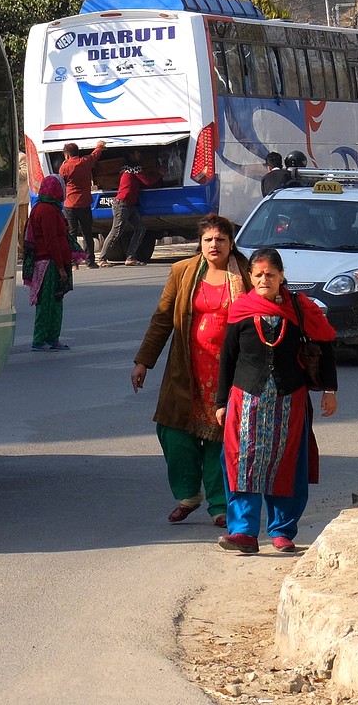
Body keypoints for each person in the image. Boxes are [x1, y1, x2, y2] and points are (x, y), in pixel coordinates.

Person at [215, 247, 339, 554]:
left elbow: (325, 344)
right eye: (257, 274)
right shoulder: (241, 310)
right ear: (250, 276)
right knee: (242, 463)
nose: (263, 279)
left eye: (270, 274)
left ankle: (282, 531)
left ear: (282, 276)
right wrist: (221, 403)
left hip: (289, 400)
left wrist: (330, 390)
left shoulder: (300, 308)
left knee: (287, 464)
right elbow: (227, 360)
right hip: (246, 401)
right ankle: (243, 531)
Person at [130, 215, 251, 528]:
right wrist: (143, 360)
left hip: (229, 372)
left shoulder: (247, 273)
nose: (214, 245)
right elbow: (162, 318)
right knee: (172, 430)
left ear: (231, 243)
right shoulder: (183, 272)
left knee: (219, 439)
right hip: (186, 367)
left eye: (220, 240)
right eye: (208, 239)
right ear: (201, 242)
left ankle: (220, 506)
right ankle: (187, 494)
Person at [22, 175, 74, 352]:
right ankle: (41, 339)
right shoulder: (48, 211)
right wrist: (60, 267)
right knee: (47, 304)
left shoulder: (46, 208)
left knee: (55, 301)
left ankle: (52, 338)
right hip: (49, 264)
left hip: (51, 262)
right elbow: (52, 240)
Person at [99, 149, 160, 266]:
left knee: (140, 228)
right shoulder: (135, 169)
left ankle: (130, 257)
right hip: (123, 204)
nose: (140, 154)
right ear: (131, 155)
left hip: (129, 204)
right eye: (137, 153)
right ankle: (102, 259)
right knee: (116, 231)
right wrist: (160, 174)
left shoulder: (125, 169)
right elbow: (147, 181)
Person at [59, 140, 106, 267]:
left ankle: (73, 262)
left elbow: (60, 182)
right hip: (84, 203)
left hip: (70, 204)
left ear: (67, 155)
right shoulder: (85, 162)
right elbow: (95, 155)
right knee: (87, 233)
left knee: (72, 234)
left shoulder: (64, 167)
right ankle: (90, 261)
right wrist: (99, 146)